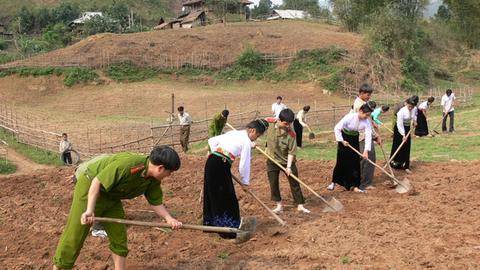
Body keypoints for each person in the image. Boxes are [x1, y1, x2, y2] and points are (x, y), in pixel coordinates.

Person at [52, 146, 182, 270]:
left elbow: (155, 202)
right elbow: (96, 182)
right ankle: (59, 267)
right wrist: (89, 210)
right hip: (90, 188)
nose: (168, 175)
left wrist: (169, 219)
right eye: (169, 172)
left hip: (111, 196)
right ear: (160, 168)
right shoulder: (129, 164)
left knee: (119, 236)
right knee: (75, 234)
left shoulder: (152, 179)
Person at [203, 119, 269, 238]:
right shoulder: (246, 141)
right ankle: (229, 231)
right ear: (252, 130)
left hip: (213, 162)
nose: (256, 138)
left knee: (214, 195)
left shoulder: (235, 133)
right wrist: (245, 183)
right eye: (257, 135)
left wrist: (215, 154)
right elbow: (244, 164)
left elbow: (212, 141)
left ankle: (212, 223)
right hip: (221, 165)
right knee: (228, 197)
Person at [265, 108, 310, 214]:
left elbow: (291, 151)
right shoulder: (270, 123)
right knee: (273, 183)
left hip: (287, 161)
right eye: (286, 124)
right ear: (279, 120)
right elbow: (257, 126)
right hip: (272, 159)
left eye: (290, 124)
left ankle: (300, 205)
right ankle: (279, 205)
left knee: (294, 182)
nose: (288, 126)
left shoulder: (292, 134)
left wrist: (288, 167)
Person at [328, 103, 374, 193]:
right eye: (366, 115)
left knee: (354, 162)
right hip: (344, 139)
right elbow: (337, 128)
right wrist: (341, 140)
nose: (366, 117)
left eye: (368, 116)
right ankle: (334, 182)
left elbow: (368, 136)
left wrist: (366, 151)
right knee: (341, 161)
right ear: (360, 111)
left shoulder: (366, 122)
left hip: (354, 140)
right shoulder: (349, 117)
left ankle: (355, 185)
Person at [352, 84, 382, 190]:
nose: (369, 96)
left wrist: (373, 122)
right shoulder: (359, 105)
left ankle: (361, 181)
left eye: (370, 95)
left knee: (365, 158)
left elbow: (368, 119)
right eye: (367, 94)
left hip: (363, 134)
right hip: (363, 135)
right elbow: (366, 123)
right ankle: (365, 183)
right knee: (369, 158)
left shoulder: (363, 103)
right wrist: (376, 136)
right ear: (361, 93)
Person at [390, 97, 417, 172]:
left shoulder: (414, 109)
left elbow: (414, 116)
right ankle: (394, 163)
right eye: (409, 106)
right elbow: (399, 124)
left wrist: (414, 121)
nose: (411, 108)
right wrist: (403, 135)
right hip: (399, 129)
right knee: (398, 144)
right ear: (406, 104)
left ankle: (405, 165)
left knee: (407, 146)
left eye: (412, 106)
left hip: (407, 128)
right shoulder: (401, 111)